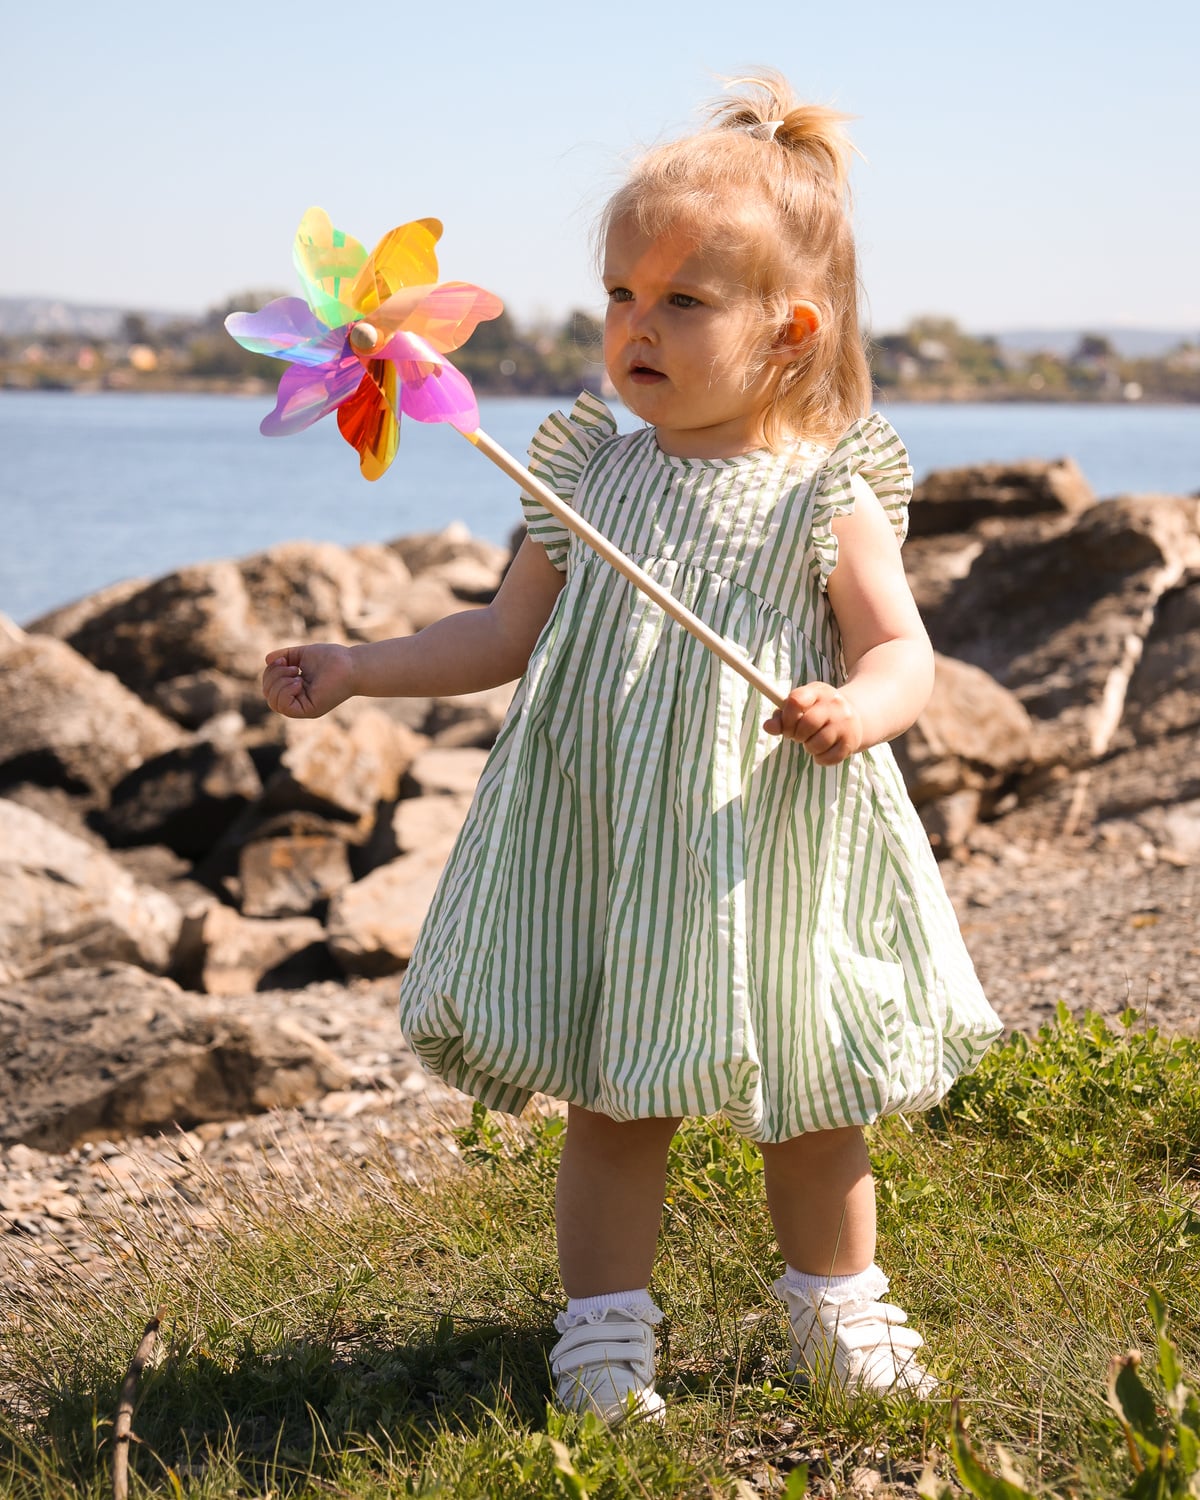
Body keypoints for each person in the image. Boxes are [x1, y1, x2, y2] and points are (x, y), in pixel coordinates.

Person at [262, 71, 1002, 1423]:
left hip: (766, 834)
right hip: (612, 830)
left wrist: (856, 708)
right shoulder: (584, 470)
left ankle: (836, 1302)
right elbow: (500, 637)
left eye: (679, 301)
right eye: (618, 296)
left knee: (815, 1085)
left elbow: (906, 653)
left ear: (790, 331)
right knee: (615, 1095)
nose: (634, 329)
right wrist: (361, 669)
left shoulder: (826, 485)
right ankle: (603, 1336)